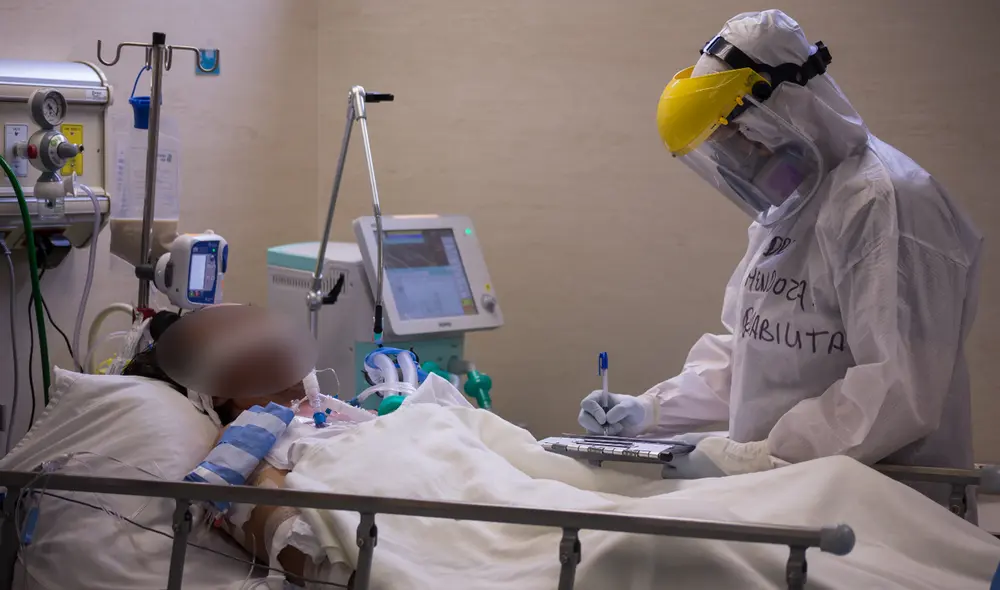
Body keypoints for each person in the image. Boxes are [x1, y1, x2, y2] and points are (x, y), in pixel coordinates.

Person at [578, 10, 982, 510]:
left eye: (735, 136)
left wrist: (750, 458)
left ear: (787, 104)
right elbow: (755, 354)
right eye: (720, 145)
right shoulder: (790, 209)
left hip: (877, 510)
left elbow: (896, 393)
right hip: (785, 497)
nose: (733, 158)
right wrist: (651, 410)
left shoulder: (884, 204)